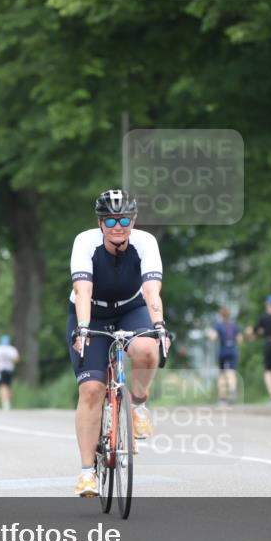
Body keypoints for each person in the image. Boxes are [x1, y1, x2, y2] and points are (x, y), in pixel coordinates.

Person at [67, 189, 168, 497]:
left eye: (124, 219)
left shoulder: (145, 242)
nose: (117, 226)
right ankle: (87, 474)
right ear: (100, 222)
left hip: (130, 308)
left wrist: (160, 326)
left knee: (147, 348)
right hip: (91, 312)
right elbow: (83, 291)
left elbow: (151, 291)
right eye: (110, 220)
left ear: (133, 220)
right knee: (92, 389)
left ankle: (137, 405)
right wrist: (83, 329)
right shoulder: (85, 242)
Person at [209, 307, 242, 405]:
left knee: (222, 375)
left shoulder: (218, 325)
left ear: (221, 315)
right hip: (233, 350)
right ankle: (232, 389)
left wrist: (213, 335)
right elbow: (240, 339)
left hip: (223, 350)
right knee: (231, 372)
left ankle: (222, 399)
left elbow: (213, 337)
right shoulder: (234, 325)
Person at [0, 335, 20, 411]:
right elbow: (16, 359)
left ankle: (5, 402)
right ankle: (8, 402)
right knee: (8, 386)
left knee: (3, 386)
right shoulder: (12, 349)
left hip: (1, 369)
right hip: (10, 369)